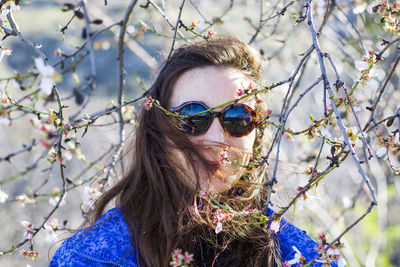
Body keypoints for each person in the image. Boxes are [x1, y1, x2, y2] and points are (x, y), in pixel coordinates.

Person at [50, 37, 339, 267]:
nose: (216, 138)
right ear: (157, 134)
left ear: (256, 137)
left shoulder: (307, 257)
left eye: (238, 119)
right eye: (192, 118)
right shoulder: (87, 259)